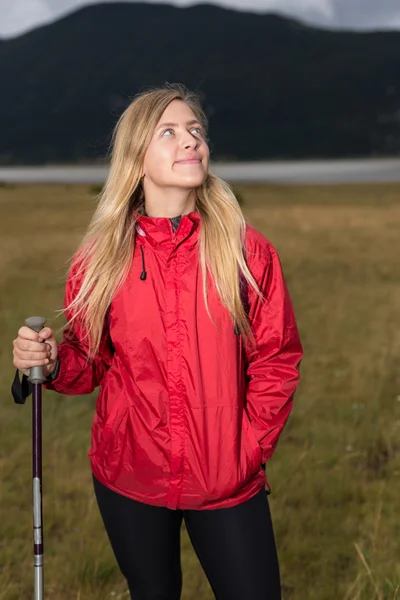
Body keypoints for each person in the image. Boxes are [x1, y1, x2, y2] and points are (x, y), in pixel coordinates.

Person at [12, 84, 303, 600]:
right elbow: (91, 357)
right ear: (136, 157)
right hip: (130, 474)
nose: (190, 141)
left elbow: (277, 359)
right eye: (169, 132)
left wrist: (248, 448)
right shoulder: (100, 258)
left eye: (195, 130)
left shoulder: (246, 251)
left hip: (226, 477)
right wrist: (53, 363)